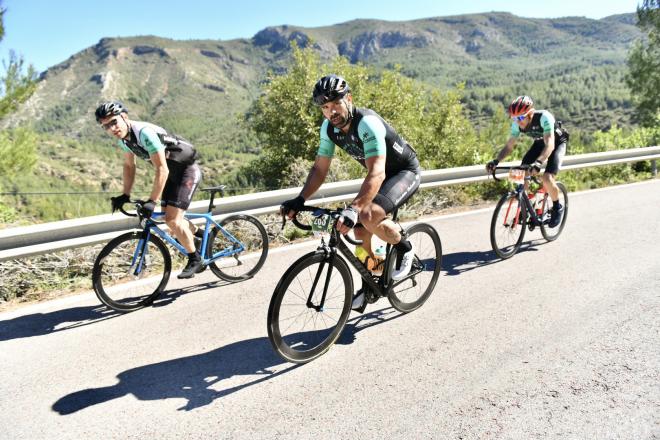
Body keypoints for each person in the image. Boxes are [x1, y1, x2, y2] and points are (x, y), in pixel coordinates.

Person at [280, 74, 421, 310]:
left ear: (349, 99)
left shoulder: (366, 123)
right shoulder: (328, 129)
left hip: (402, 172)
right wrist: (300, 199)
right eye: (325, 107)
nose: (331, 111)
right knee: (358, 230)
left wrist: (355, 208)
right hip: (379, 175)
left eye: (336, 103)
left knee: (367, 215)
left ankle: (404, 248)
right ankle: (372, 281)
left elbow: (377, 172)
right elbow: (319, 169)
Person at [95, 101, 204, 279]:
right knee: (170, 220)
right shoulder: (125, 141)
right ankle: (201, 236)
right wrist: (125, 194)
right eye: (106, 126)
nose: (111, 128)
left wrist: (152, 201)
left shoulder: (144, 133)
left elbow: (162, 169)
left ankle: (195, 258)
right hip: (171, 174)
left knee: (173, 220)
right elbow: (129, 166)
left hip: (186, 171)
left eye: (114, 122)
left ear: (124, 117)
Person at [486, 95, 569, 228]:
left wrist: (538, 163)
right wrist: (496, 161)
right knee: (519, 174)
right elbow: (509, 147)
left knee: (547, 178)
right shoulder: (516, 125)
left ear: (530, 114)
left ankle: (557, 207)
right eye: (514, 118)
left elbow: (550, 145)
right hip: (539, 143)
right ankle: (525, 203)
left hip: (556, 143)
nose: (517, 121)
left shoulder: (544, 117)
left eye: (520, 118)